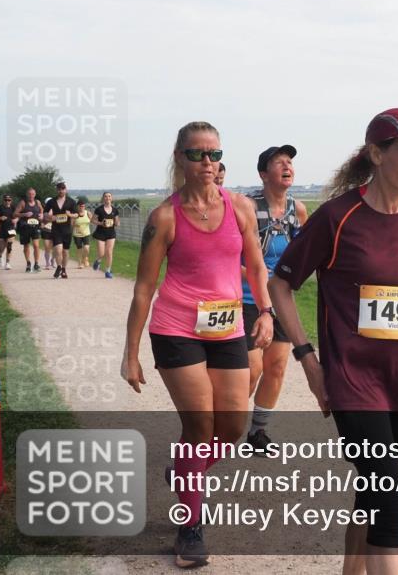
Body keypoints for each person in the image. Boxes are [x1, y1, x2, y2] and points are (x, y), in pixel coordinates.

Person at [269, 108, 398, 575]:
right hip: (351, 379)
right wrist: (309, 361)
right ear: (377, 154)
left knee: (374, 487)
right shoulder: (337, 217)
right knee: (389, 500)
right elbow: (280, 284)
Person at [120, 121, 273, 569]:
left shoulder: (240, 207)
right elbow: (144, 288)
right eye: (197, 154)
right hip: (176, 329)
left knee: (233, 427)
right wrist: (130, 354)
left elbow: (256, 267)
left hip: (226, 328)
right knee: (200, 426)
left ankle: (186, 471)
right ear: (180, 158)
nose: (208, 162)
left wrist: (266, 311)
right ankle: (190, 527)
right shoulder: (164, 218)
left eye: (214, 154)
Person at [240, 146, 308, 450]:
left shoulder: (298, 210)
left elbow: (304, 255)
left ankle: (258, 433)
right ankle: (224, 426)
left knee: (277, 366)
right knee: (251, 368)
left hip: (280, 301)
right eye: (279, 162)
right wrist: (259, 278)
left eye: (289, 162)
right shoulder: (246, 207)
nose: (287, 166)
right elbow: (225, 257)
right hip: (246, 299)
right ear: (263, 174)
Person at [44, 182, 77, 279]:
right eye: (59, 189)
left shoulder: (71, 201)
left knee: (65, 252)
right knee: (58, 250)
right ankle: (58, 266)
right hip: (56, 230)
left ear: (65, 190)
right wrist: (50, 217)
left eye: (62, 189)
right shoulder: (52, 202)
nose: (61, 191)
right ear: (57, 190)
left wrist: (70, 215)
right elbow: (45, 213)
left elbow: (77, 214)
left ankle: (64, 269)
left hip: (67, 230)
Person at [15, 188, 44, 272]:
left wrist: (41, 215)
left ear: (35, 194)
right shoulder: (23, 203)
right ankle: (28, 263)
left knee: (36, 245)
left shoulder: (37, 202)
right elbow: (15, 214)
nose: (31, 196)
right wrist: (24, 214)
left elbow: (41, 209)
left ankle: (36, 264)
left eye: (32, 194)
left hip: (35, 226)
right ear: (27, 194)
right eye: (29, 194)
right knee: (26, 245)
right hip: (25, 227)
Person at [92, 192, 120, 278]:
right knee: (101, 253)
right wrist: (101, 223)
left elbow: (117, 222)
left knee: (109, 252)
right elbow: (92, 220)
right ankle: (98, 261)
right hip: (100, 233)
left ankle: (108, 271)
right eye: (106, 196)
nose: (107, 198)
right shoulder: (99, 209)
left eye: (109, 196)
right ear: (103, 198)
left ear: (111, 198)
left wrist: (117, 223)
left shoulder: (115, 210)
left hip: (111, 233)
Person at [0, 195, 16, 270]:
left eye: (9, 200)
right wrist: (0, 218)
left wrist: (16, 220)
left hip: (11, 229)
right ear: (3, 200)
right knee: (2, 247)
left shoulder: (13, 207)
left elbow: (18, 215)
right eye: (6, 200)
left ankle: (7, 263)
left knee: (9, 246)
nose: (7, 201)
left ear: (11, 201)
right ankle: (0, 256)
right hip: (2, 229)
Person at [72, 198, 93, 269]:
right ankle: (80, 263)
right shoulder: (75, 214)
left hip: (86, 233)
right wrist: (75, 225)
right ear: (77, 206)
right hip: (77, 234)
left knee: (86, 248)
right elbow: (71, 224)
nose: (82, 207)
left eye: (83, 206)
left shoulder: (88, 213)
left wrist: (91, 219)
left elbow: (92, 221)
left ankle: (85, 258)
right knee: (79, 249)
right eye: (80, 206)